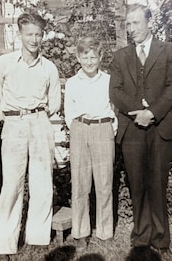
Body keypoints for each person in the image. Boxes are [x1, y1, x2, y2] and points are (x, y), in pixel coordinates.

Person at [109, 4, 172, 258]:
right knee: (137, 183)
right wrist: (137, 113)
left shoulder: (169, 51)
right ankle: (141, 238)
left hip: (161, 127)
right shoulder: (120, 56)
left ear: (149, 22)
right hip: (132, 128)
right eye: (128, 24)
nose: (131, 30)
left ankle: (161, 240)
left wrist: (152, 113)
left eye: (136, 23)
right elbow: (115, 91)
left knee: (157, 183)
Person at [0, 13, 61, 260]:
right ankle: (4, 244)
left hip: (40, 122)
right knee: (12, 183)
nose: (34, 39)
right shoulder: (5, 63)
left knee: (42, 180)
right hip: (14, 123)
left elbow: (55, 100)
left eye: (38, 34)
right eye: (29, 34)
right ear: (20, 35)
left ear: (43, 36)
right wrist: (3, 114)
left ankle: (38, 237)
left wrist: (38, 115)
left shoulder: (48, 67)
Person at [64, 37, 117, 249]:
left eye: (93, 57)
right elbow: (68, 111)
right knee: (80, 183)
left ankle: (105, 231)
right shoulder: (72, 83)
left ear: (100, 57)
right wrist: (77, 128)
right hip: (80, 129)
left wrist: (109, 129)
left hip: (103, 129)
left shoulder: (108, 80)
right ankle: (80, 232)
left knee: (104, 183)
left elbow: (115, 108)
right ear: (78, 57)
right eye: (84, 57)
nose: (89, 61)